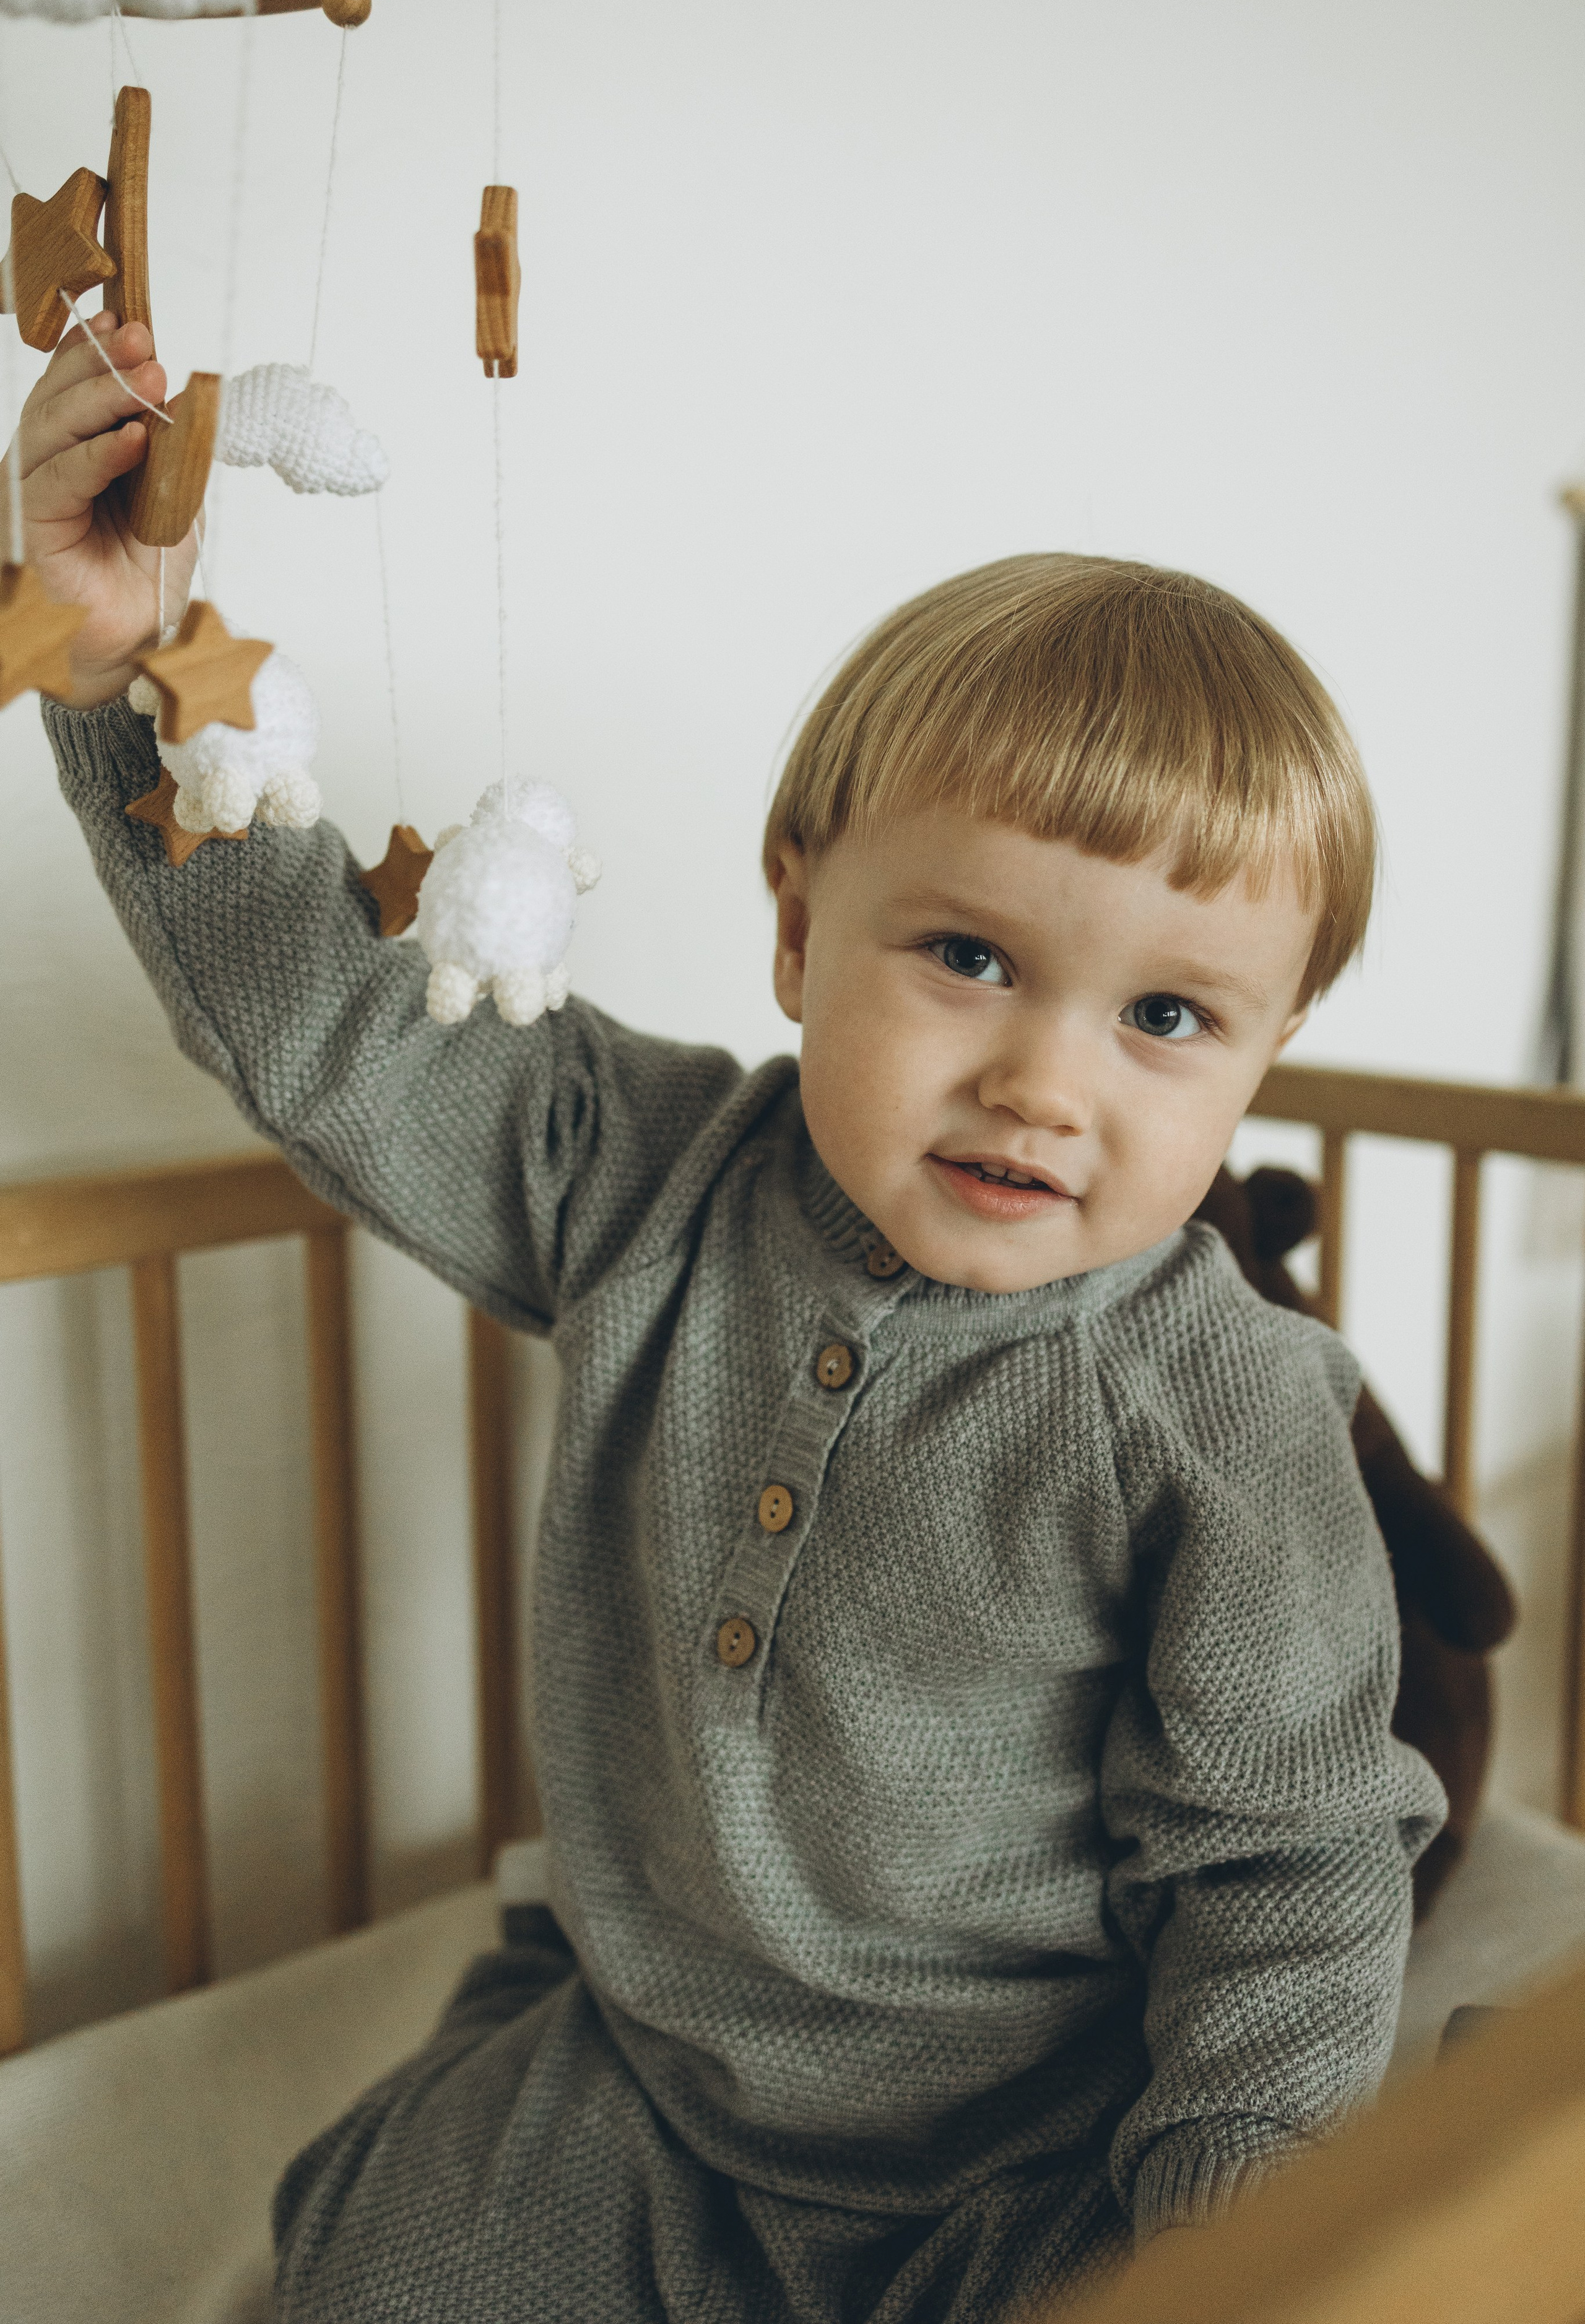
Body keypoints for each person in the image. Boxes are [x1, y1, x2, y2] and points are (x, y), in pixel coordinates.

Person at [11, 314, 1445, 2323]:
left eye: (1166, 1015)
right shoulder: (645, 1171)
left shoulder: (1226, 1412)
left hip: (1034, 2141)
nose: (1045, 1082)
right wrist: (116, 669)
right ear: (794, 926)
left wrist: (1230, 2255)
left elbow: (1286, 1887)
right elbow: (332, 1025)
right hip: (660, 2069)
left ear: (1264, 1056)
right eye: (969, 956)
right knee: (371, 2271)